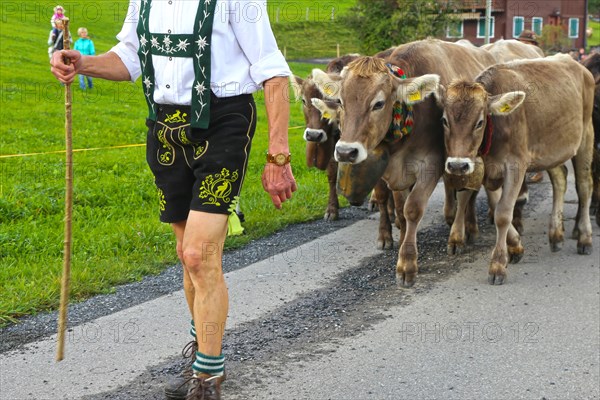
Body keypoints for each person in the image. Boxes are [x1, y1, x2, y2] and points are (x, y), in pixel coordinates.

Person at [50, 1, 297, 399]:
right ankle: (203, 351)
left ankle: (207, 379)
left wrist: (278, 156)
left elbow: (273, 72)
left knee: (200, 254)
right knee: (187, 253)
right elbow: (129, 59)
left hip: (224, 122)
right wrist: (83, 63)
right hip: (165, 129)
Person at [517, 29, 544, 183]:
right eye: (523, 42)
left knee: (535, 132)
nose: (525, 45)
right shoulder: (516, 53)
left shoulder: (537, 54)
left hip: (533, 96)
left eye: (528, 42)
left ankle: (539, 168)